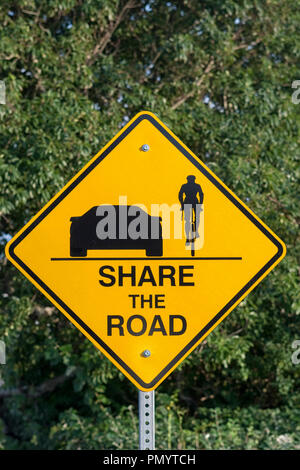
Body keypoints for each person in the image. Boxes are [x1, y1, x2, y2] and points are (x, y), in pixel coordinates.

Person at [178, 175, 204, 245]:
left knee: (193, 219)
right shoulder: (195, 186)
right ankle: (189, 236)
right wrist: (200, 204)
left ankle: (195, 232)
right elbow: (180, 195)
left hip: (189, 202)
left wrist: (182, 204)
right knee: (190, 220)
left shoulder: (185, 186)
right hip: (192, 202)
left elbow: (201, 195)